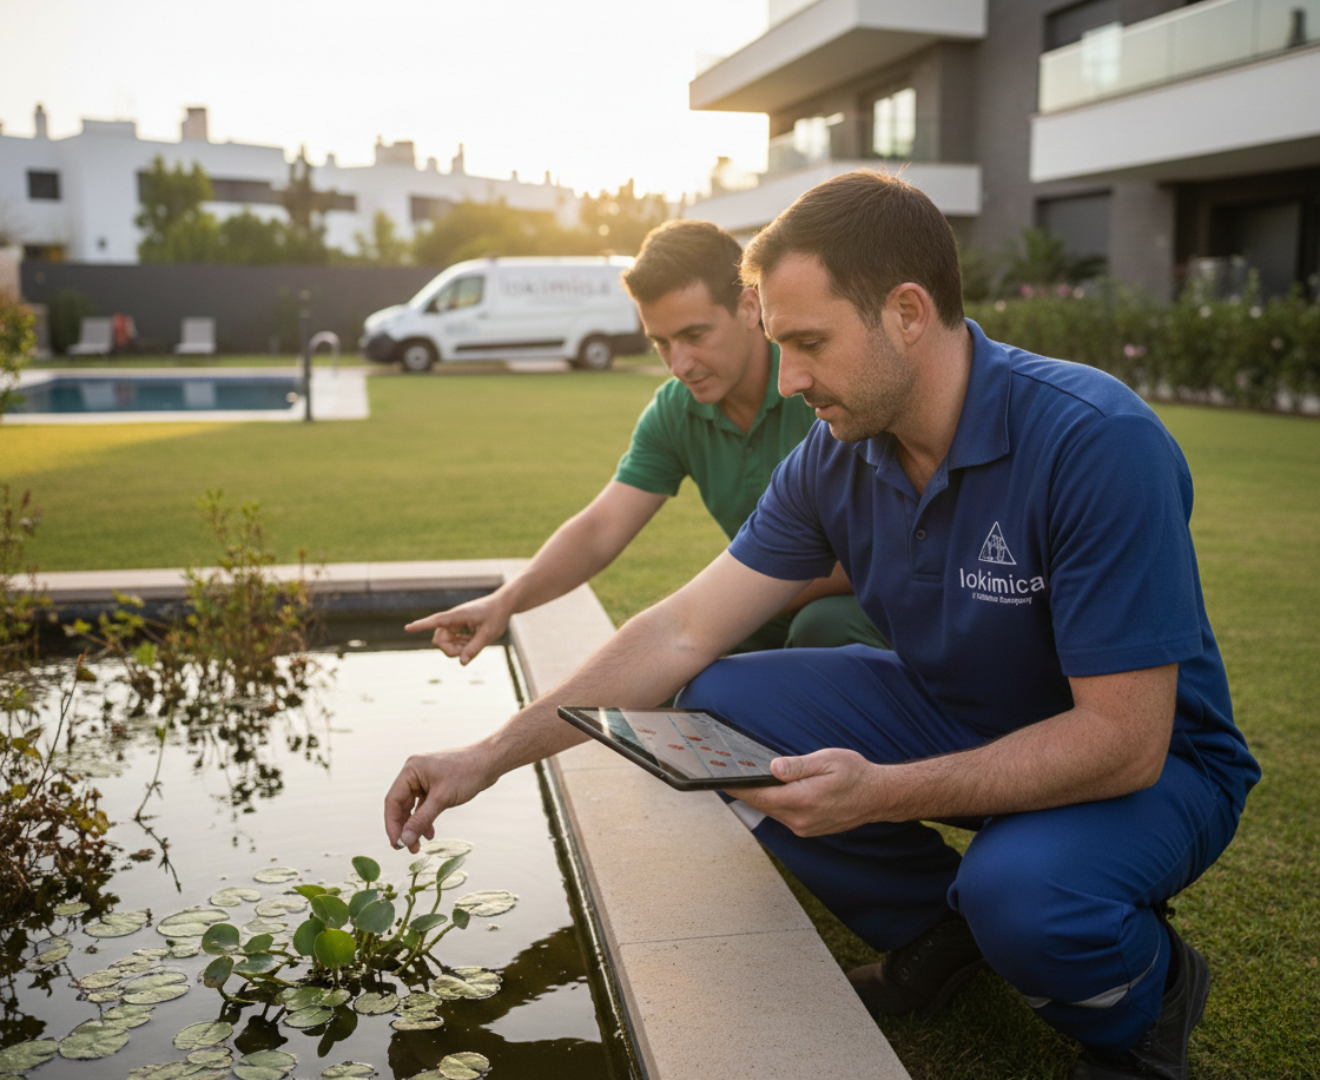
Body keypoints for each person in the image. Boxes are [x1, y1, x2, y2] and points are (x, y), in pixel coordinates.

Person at [385, 173, 1258, 1080]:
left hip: (1152, 767)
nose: (790, 378)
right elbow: (683, 630)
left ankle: (1149, 1001)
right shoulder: (834, 452)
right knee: (713, 709)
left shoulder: (1094, 439)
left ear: (909, 313)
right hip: (958, 709)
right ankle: (937, 931)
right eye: (778, 345)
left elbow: (1125, 742)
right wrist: (484, 756)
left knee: (1023, 897)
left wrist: (882, 792)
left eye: (809, 343)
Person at [405, 219, 884, 661]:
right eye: (661, 343)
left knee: (819, 628)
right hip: (769, 603)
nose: (680, 364)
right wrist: (505, 601)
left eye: (695, 335)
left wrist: (716, 599)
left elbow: (874, 555)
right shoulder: (676, 409)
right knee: (663, 677)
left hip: (871, 608)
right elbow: (601, 527)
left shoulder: (816, 385)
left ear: (748, 305)